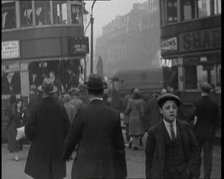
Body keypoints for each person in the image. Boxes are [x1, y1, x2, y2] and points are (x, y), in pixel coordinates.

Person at [62, 74, 127, 179]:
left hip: (84, 169)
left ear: (88, 93)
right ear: (102, 92)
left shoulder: (82, 113)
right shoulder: (113, 115)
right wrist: (122, 172)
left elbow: (71, 138)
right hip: (107, 169)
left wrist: (65, 155)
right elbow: (120, 147)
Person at [145, 93, 200, 179]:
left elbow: (195, 149)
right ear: (161, 110)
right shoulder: (153, 132)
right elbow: (149, 159)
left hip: (183, 175)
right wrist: (150, 175)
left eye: (174, 107)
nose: (171, 110)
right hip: (164, 175)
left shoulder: (185, 127)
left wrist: (191, 169)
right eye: (167, 108)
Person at [24, 78, 71, 179]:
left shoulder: (36, 108)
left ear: (42, 92)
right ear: (53, 93)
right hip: (57, 151)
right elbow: (68, 129)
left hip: (39, 152)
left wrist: (36, 140)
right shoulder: (60, 108)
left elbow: (28, 130)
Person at [190, 82, 220, 179]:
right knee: (208, 157)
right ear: (209, 92)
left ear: (201, 91)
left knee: (196, 156)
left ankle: (196, 175)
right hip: (209, 134)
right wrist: (212, 129)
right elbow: (217, 120)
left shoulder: (197, 103)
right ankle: (207, 176)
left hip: (198, 134)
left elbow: (192, 117)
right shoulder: (214, 105)